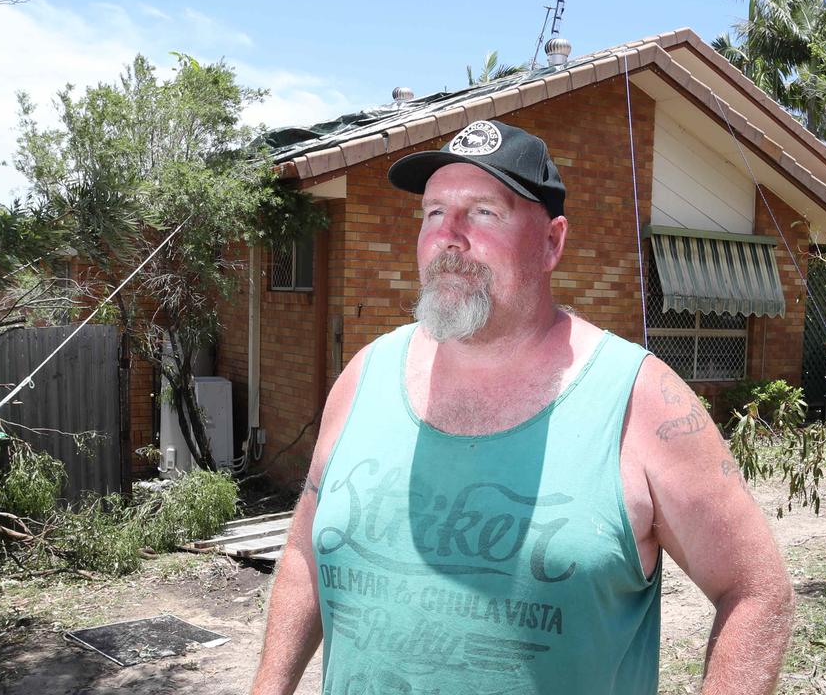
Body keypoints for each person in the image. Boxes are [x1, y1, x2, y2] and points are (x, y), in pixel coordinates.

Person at [250, 120, 794, 695]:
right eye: (434, 212)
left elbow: (756, 592)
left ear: (552, 242)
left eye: (484, 212)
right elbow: (303, 553)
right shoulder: (364, 376)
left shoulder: (640, 400)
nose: (450, 237)